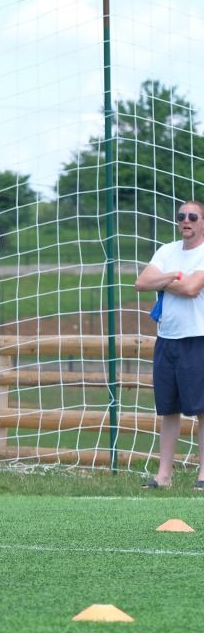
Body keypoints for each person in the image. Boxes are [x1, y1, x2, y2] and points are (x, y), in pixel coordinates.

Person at [135, 200, 204, 490]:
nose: (185, 220)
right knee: (169, 410)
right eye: (181, 216)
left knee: (202, 410)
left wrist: (163, 281)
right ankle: (164, 476)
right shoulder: (167, 250)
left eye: (192, 216)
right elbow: (141, 282)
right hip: (167, 339)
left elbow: (191, 288)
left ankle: (203, 475)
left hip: (197, 337)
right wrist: (174, 277)